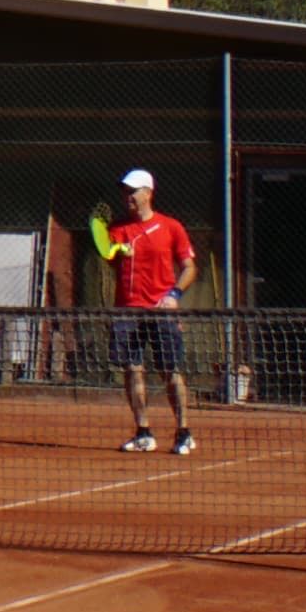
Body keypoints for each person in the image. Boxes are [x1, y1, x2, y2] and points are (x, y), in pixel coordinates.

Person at [101, 165, 200, 457]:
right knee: (133, 370)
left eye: (133, 191)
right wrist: (115, 252)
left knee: (171, 371)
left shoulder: (171, 227)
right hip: (128, 311)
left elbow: (190, 267)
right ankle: (143, 432)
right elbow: (110, 261)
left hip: (162, 310)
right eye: (125, 191)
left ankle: (184, 432)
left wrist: (174, 294)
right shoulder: (116, 230)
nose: (128, 196)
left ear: (148, 193)